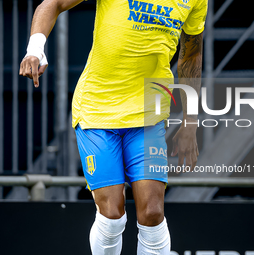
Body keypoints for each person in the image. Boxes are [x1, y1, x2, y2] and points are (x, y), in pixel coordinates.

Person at [19, 0, 207, 254]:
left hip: (148, 114)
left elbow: (191, 54)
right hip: (97, 110)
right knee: (111, 214)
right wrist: (35, 49)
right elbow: (53, 3)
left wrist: (190, 121)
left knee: (152, 213)